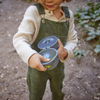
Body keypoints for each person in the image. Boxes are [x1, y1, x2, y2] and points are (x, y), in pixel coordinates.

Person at [13, 0, 78, 100]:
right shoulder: (34, 12)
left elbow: (72, 39)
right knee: (35, 94)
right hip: (37, 68)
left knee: (58, 91)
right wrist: (30, 55)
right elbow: (20, 38)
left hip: (58, 66)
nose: (49, 0)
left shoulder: (68, 15)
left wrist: (65, 51)